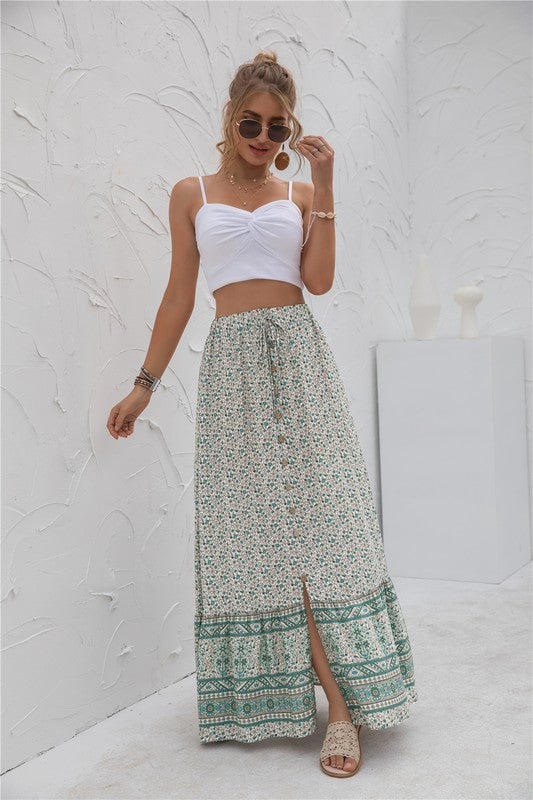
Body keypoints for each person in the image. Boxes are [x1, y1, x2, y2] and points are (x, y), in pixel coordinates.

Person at [106, 50, 417, 779]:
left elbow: (318, 279)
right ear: (229, 117)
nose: (262, 136)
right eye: (250, 121)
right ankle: (300, 697)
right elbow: (180, 296)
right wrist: (145, 383)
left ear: (289, 130)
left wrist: (326, 181)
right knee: (260, 539)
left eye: (277, 127)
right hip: (232, 374)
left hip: (299, 361)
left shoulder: (300, 194)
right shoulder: (192, 194)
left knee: (324, 528)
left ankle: (341, 707)